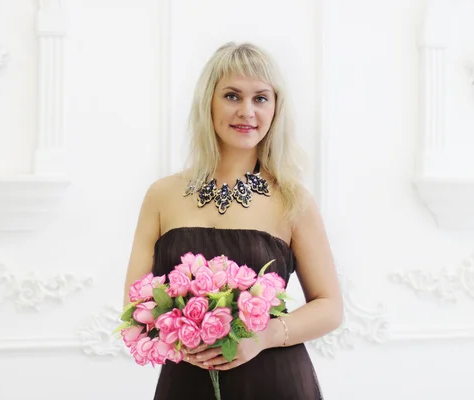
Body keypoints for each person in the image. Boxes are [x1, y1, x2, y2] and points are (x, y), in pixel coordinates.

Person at [123, 42, 343, 400]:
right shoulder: (162, 195)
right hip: (187, 383)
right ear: (208, 102)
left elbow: (330, 306)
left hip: (274, 382)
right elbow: (136, 308)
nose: (247, 111)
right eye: (232, 96)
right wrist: (187, 333)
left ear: (276, 108)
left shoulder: (293, 199)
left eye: (260, 98)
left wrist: (263, 336)